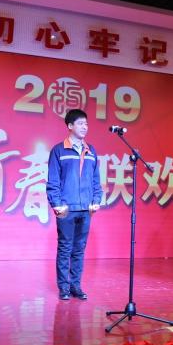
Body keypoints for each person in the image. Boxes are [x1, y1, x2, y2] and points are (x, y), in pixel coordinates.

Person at [46, 109, 102, 301]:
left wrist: (96, 200)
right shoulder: (59, 150)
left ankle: (75, 285)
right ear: (70, 126)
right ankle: (64, 287)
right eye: (80, 123)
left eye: (86, 123)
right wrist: (56, 204)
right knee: (65, 248)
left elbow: (96, 180)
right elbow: (53, 181)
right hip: (66, 209)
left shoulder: (91, 151)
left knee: (79, 249)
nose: (85, 127)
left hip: (86, 209)